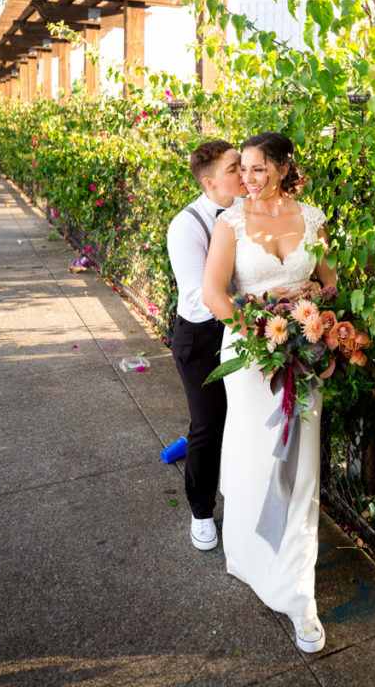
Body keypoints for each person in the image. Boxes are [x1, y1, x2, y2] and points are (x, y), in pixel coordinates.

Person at [202, 132, 336, 653]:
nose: (249, 181)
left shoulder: (315, 220)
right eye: (244, 171)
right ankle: (250, 554)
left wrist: (313, 298)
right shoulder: (230, 222)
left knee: (301, 468)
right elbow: (215, 293)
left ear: (282, 168)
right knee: (256, 458)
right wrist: (260, 325)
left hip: (303, 351)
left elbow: (331, 284)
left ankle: (300, 598)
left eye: (259, 170)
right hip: (252, 356)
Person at [166, 140, 245, 551]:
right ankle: (200, 512)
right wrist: (253, 314)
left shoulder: (251, 212)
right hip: (203, 338)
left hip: (243, 327)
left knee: (243, 421)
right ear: (211, 182)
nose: (245, 173)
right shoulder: (187, 225)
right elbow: (199, 298)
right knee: (208, 426)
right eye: (235, 168)